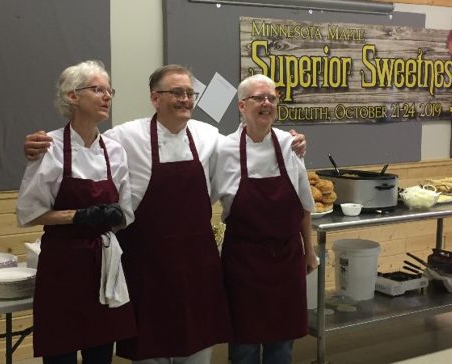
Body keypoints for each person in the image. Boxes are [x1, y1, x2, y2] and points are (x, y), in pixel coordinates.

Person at [23, 64, 308, 364]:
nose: (185, 99)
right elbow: (85, 143)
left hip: (198, 269)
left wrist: (294, 143)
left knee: (197, 353)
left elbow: (252, 142)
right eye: (176, 92)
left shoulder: (210, 137)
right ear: (155, 99)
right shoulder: (124, 137)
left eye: (189, 93)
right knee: (150, 352)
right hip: (148, 269)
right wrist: (35, 146)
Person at [16, 60, 136, 364]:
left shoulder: (115, 151)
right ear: (72, 96)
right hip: (62, 267)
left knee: (100, 354)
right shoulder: (50, 147)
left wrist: (115, 217)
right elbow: (29, 212)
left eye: (110, 90)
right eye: (98, 89)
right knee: (61, 354)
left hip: (103, 266)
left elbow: (125, 211)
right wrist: (77, 217)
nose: (107, 96)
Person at [211, 74, 317, 364]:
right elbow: (203, 200)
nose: (267, 102)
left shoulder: (290, 144)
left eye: (272, 97)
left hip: (286, 257)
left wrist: (310, 251)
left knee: (281, 346)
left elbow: (304, 205)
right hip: (243, 262)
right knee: (244, 345)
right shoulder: (223, 149)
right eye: (259, 97)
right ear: (242, 106)